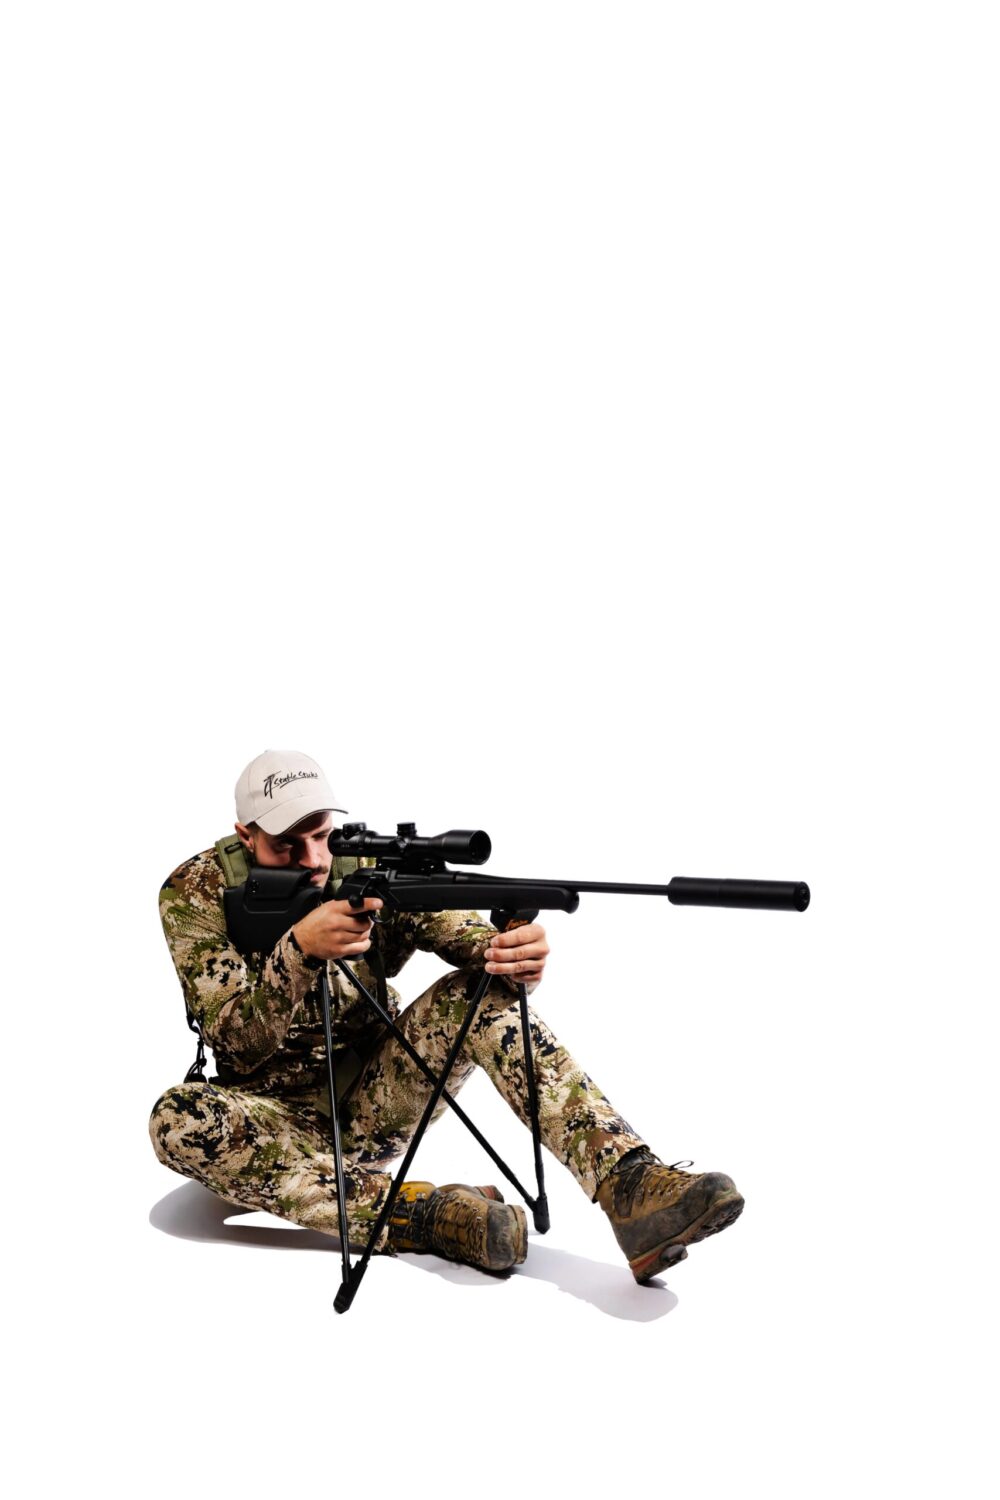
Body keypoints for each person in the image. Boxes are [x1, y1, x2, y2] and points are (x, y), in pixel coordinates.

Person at [150, 749, 744, 1285]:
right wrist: (300, 951)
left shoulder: (360, 866)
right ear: (245, 835)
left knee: (477, 995)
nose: (314, 860)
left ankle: (630, 1185)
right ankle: (432, 1217)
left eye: (323, 836)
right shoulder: (193, 893)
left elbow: (454, 930)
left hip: (375, 1104)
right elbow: (235, 1039)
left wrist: (508, 952)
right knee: (176, 1120)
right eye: (287, 845)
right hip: (265, 1129)